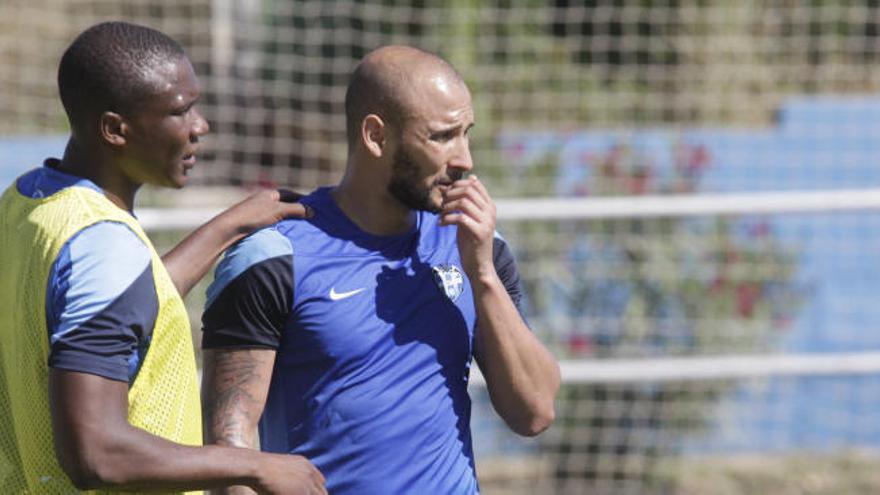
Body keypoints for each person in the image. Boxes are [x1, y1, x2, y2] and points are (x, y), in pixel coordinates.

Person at [200, 45, 561, 494]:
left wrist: (482, 274)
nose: (465, 159)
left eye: (466, 133)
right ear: (375, 136)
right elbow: (230, 448)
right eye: (442, 136)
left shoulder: (474, 245)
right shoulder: (275, 256)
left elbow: (535, 411)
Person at [0, 21, 327, 494]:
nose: (201, 126)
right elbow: (96, 453)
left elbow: (122, 305)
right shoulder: (101, 244)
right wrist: (251, 465)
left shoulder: (28, 201)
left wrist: (231, 224)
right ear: (116, 129)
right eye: (180, 111)